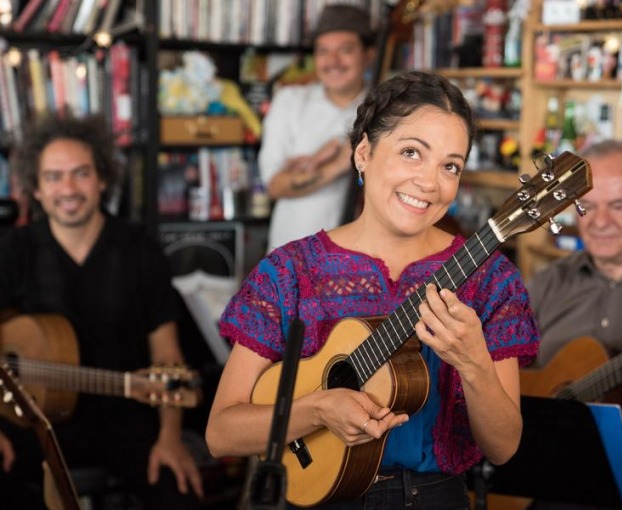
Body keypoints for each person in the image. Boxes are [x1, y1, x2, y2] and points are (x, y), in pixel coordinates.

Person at [206, 71, 540, 509]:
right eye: (411, 153)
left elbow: (503, 447)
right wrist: (317, 410)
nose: (429, 182)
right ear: (363, 152)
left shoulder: (491, 279)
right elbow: (221, 433)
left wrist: (474, 363)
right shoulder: (290, 272)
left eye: (450, 166)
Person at [0, 114, 203, 509]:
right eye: (54, 177)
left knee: (180, 495)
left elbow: (167, 354)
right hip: (31, 420)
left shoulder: (139, 250)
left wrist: (171, 436)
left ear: (103, 179)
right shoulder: (14, 250)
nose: (68, 188)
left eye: (81, 173)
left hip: (125, 417)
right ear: (37, 189)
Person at [528, 140, 622, 508]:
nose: (599, 222)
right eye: (587, 206)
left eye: (617, 205)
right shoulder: (546, 284)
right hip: (542, 473)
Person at [259, 4, 376, 252]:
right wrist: (337, 165)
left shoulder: (384, 109)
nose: (333, 61)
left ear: (369, 55)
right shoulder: (289, 101)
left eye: (345, 50)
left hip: (363, 260)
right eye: (323, 51)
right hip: (292, 258)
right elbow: (276, 185)